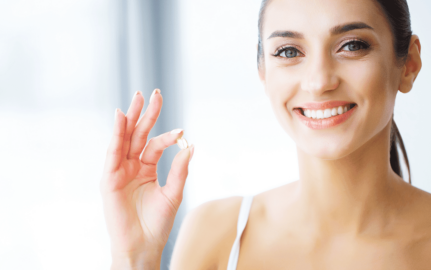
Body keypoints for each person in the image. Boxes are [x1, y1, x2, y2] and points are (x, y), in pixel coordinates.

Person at [100, 0, 430, 268]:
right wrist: (135, 257)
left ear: (409, 64)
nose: (318, 81)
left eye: (352, 45)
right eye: (289, 51)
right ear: (263, 72)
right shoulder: (217, 235)